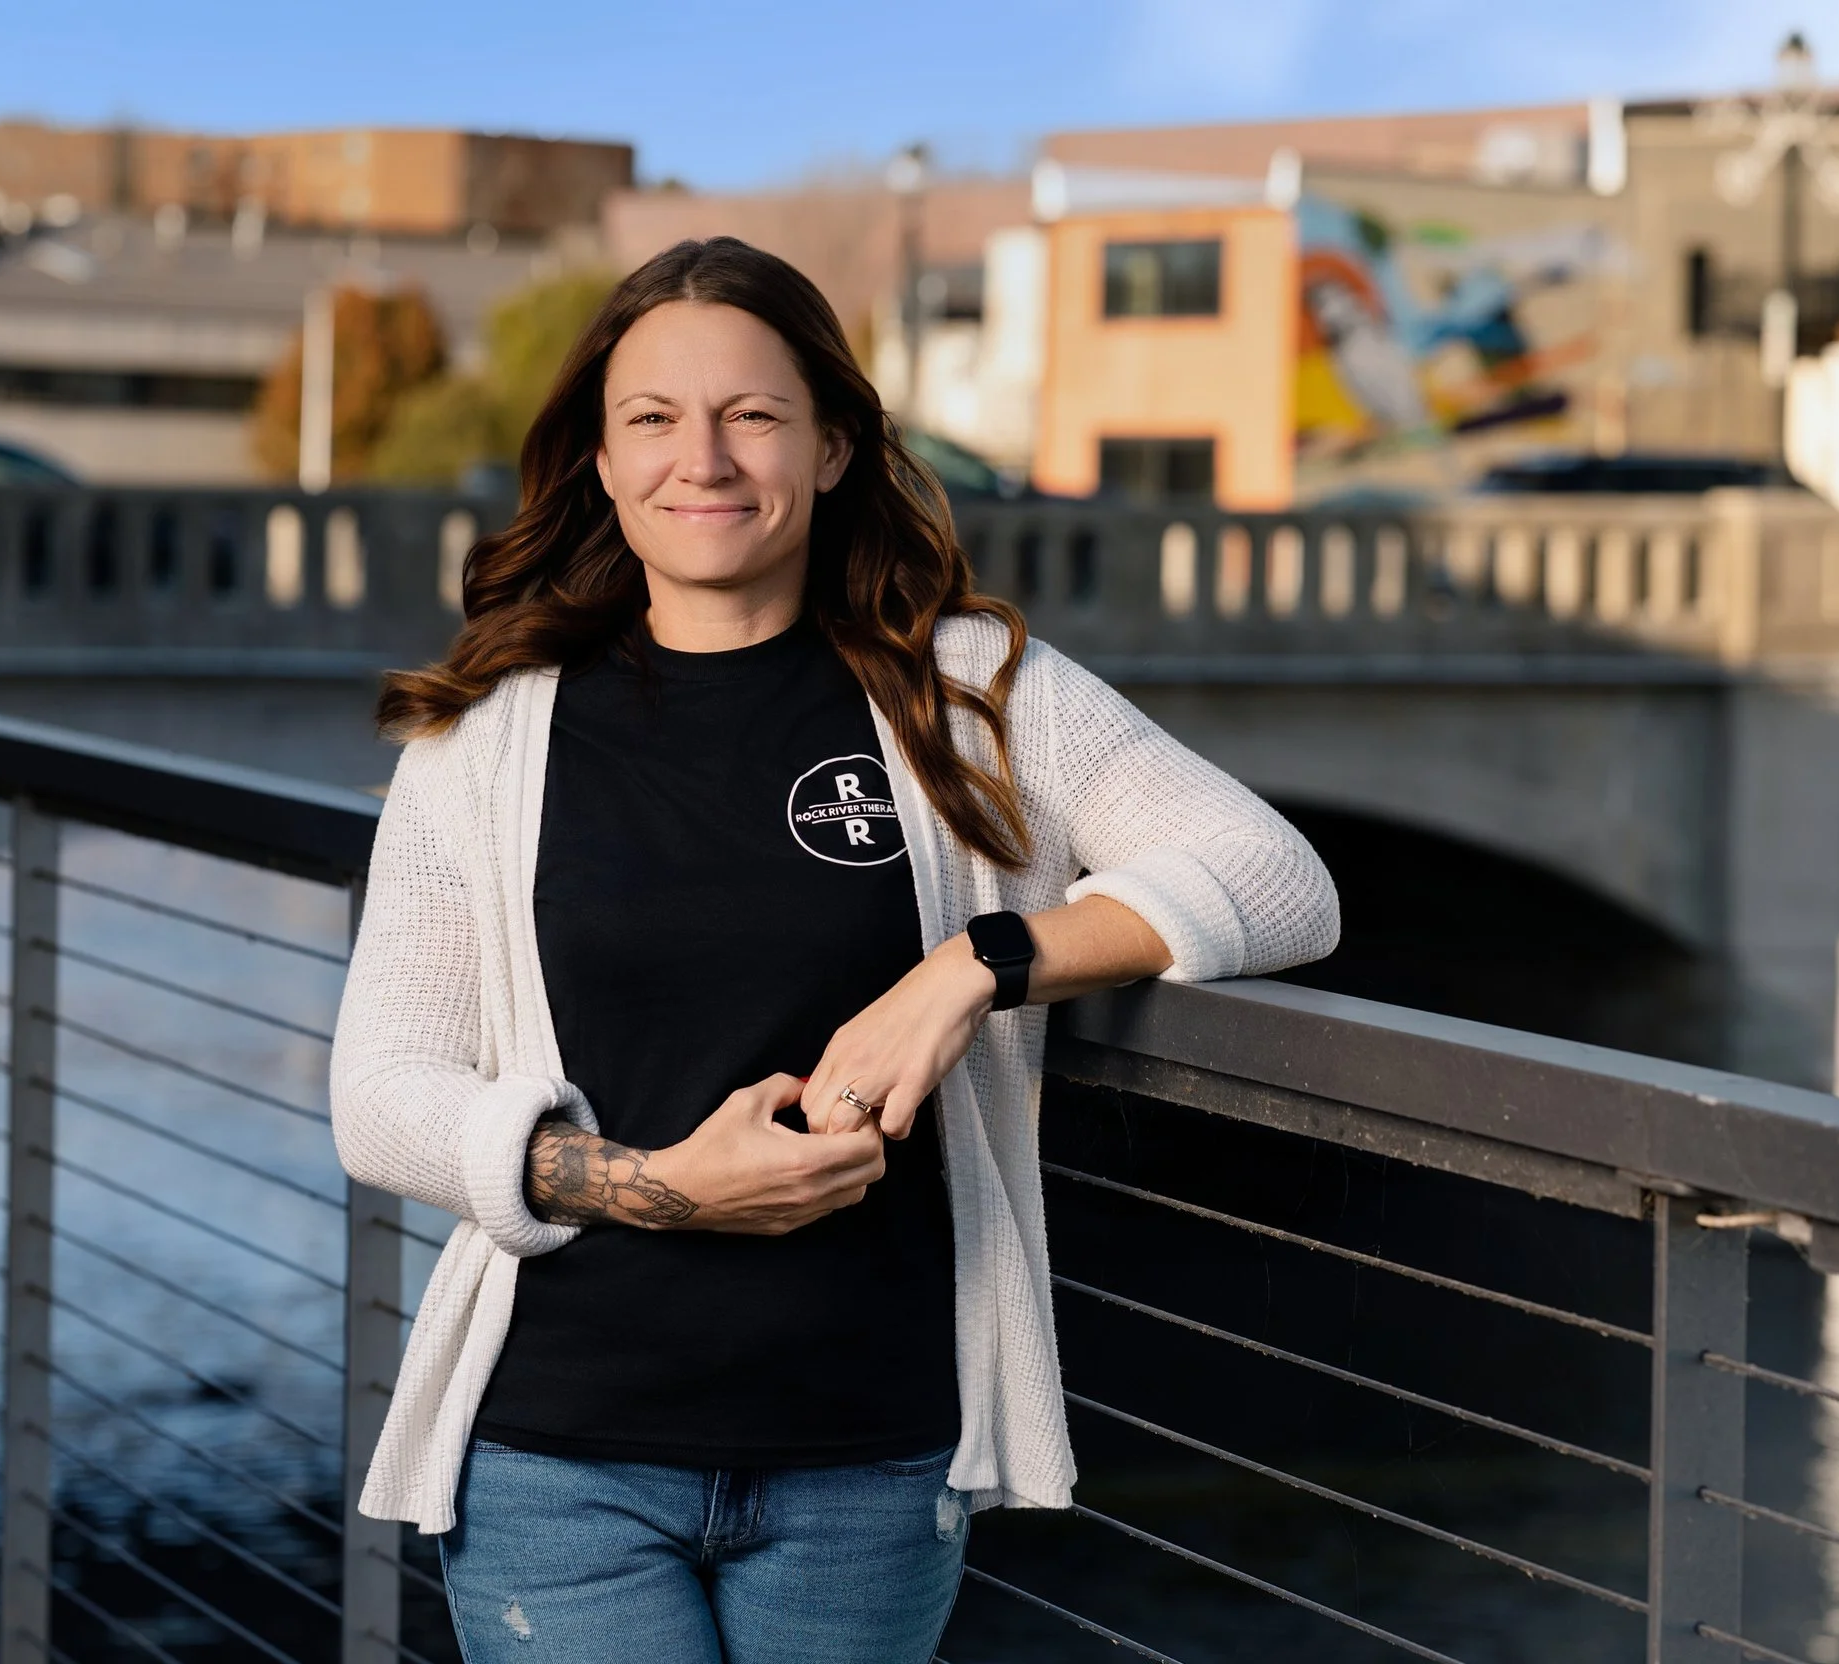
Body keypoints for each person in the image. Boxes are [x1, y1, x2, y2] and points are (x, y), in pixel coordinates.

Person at [330, 236, 1340, 1663]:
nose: (707, 459)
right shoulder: (484, 741)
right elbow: (381, 1093)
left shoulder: (971, 689)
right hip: (563, 1457)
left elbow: (1277, 877)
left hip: (868, 1459)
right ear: (602, 466)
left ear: (835, 447)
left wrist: (975, 966)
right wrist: (659, 1188)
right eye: (655, 421)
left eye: (753, 416)